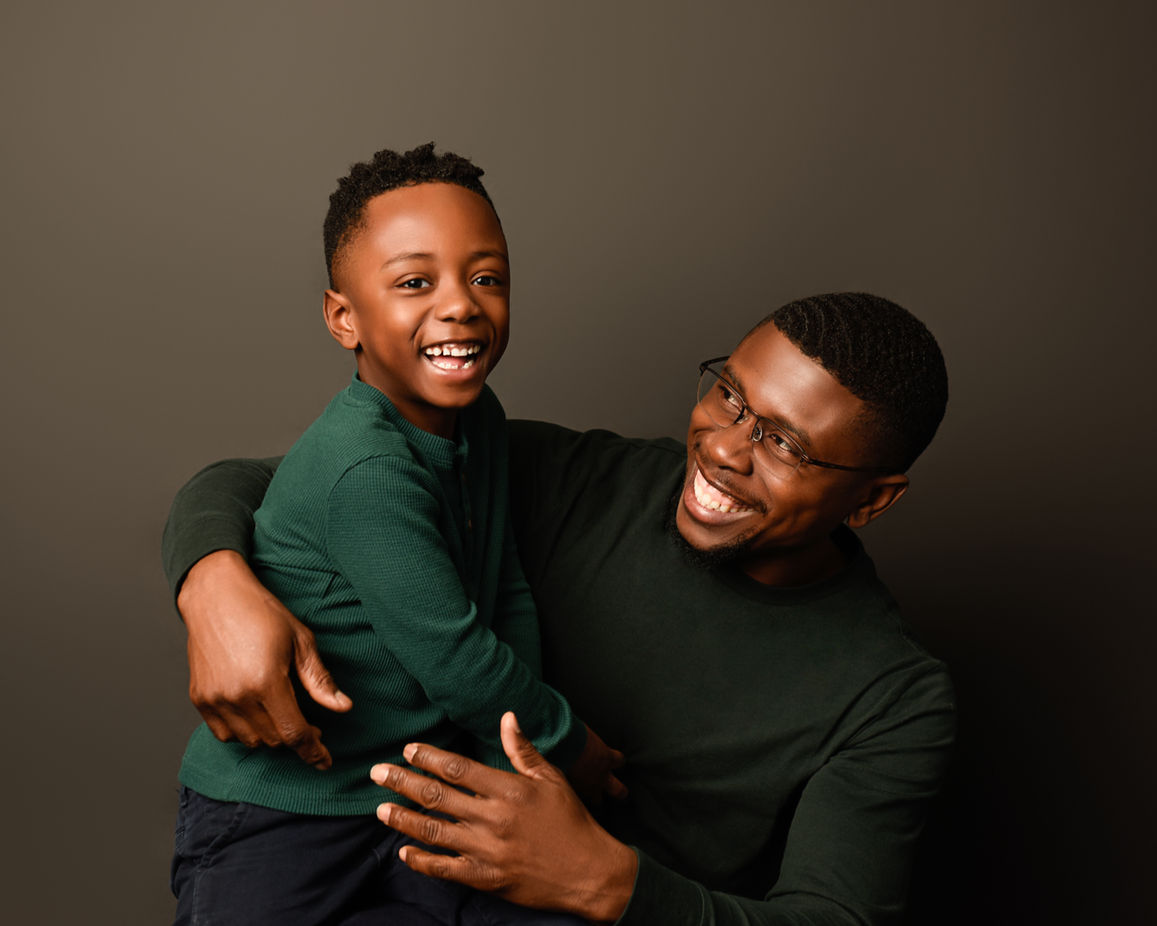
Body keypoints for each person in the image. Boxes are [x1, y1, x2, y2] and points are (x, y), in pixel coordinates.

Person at [164, 291, 955, 924]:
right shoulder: (582, 478)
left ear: (870, 502)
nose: (722, 447)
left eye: (784, 444)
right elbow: (278, 481)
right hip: (359, 864)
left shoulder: (890, 699)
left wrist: (609, 884)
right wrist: (212, 580)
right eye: (728, 395)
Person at [167, 144, 619, 926]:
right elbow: (453, 657)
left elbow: (501, 589)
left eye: (486, 277)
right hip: (285, 806)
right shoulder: (365, 467)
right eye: (415, 282)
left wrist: (523, 767)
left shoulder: (480, 421)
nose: (461, 306)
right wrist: (569, 743)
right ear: (344, 318)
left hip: (413, 792)